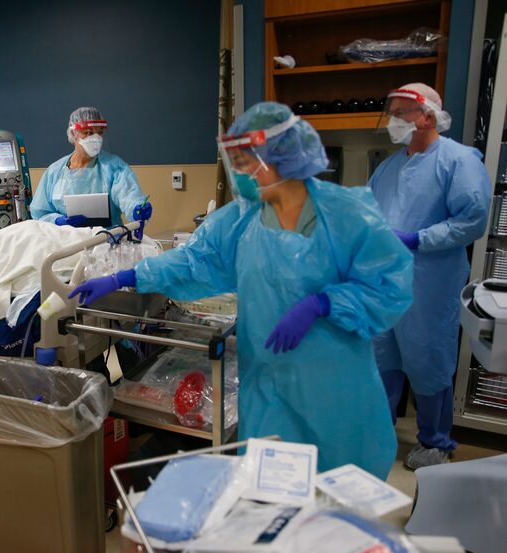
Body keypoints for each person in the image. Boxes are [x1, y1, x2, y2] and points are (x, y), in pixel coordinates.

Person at [70, 102, 414, 479]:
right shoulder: (243, 219)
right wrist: (124, 278)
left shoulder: (345, 214)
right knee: (273, 488)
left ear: (281, 157)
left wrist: (323, 303)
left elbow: (388, 285)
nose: (241, 173)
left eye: (248, 161)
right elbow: (193, 261)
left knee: (341, 494)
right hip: (269, 383)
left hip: (333, 384)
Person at [369, 83, 491, 470]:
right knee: (380, 356)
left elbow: (472, 221)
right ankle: (376, 431)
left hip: (430, 283)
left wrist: (417, 238)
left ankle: (435, 442)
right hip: (385, 282)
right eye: (393, 112)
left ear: (428, 116)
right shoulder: (388, 167)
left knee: (428, 359)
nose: (395, 120)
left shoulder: (458, 160)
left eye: (403, 112)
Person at [30, 107, 152, 229]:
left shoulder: (114, 167)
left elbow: (129, 194)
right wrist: (59, 221)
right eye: (88, 132)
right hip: (66, 242)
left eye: (99, 132)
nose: (95, 138)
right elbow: (39, 212)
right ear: (73, 134)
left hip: (106, 240)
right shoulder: (54, 172)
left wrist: (136, 207)